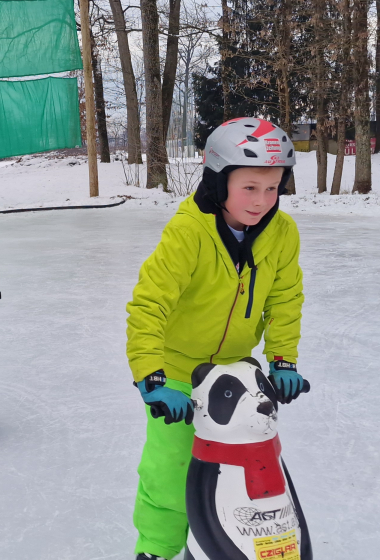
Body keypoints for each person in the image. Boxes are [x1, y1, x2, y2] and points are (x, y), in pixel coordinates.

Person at [124, 118, 307, 560]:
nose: (262, 201)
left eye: (273, 188)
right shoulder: (189, 232)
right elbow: (150, 302)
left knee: (249, 468)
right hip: (179, 374)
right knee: (171, 472)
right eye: (250, 187)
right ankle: (157, 549)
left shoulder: (282, 233)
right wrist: (151, 376)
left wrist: (283, 360)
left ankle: (237, 544)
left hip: (238, 376)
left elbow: (285, 299)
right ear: (219, 181)